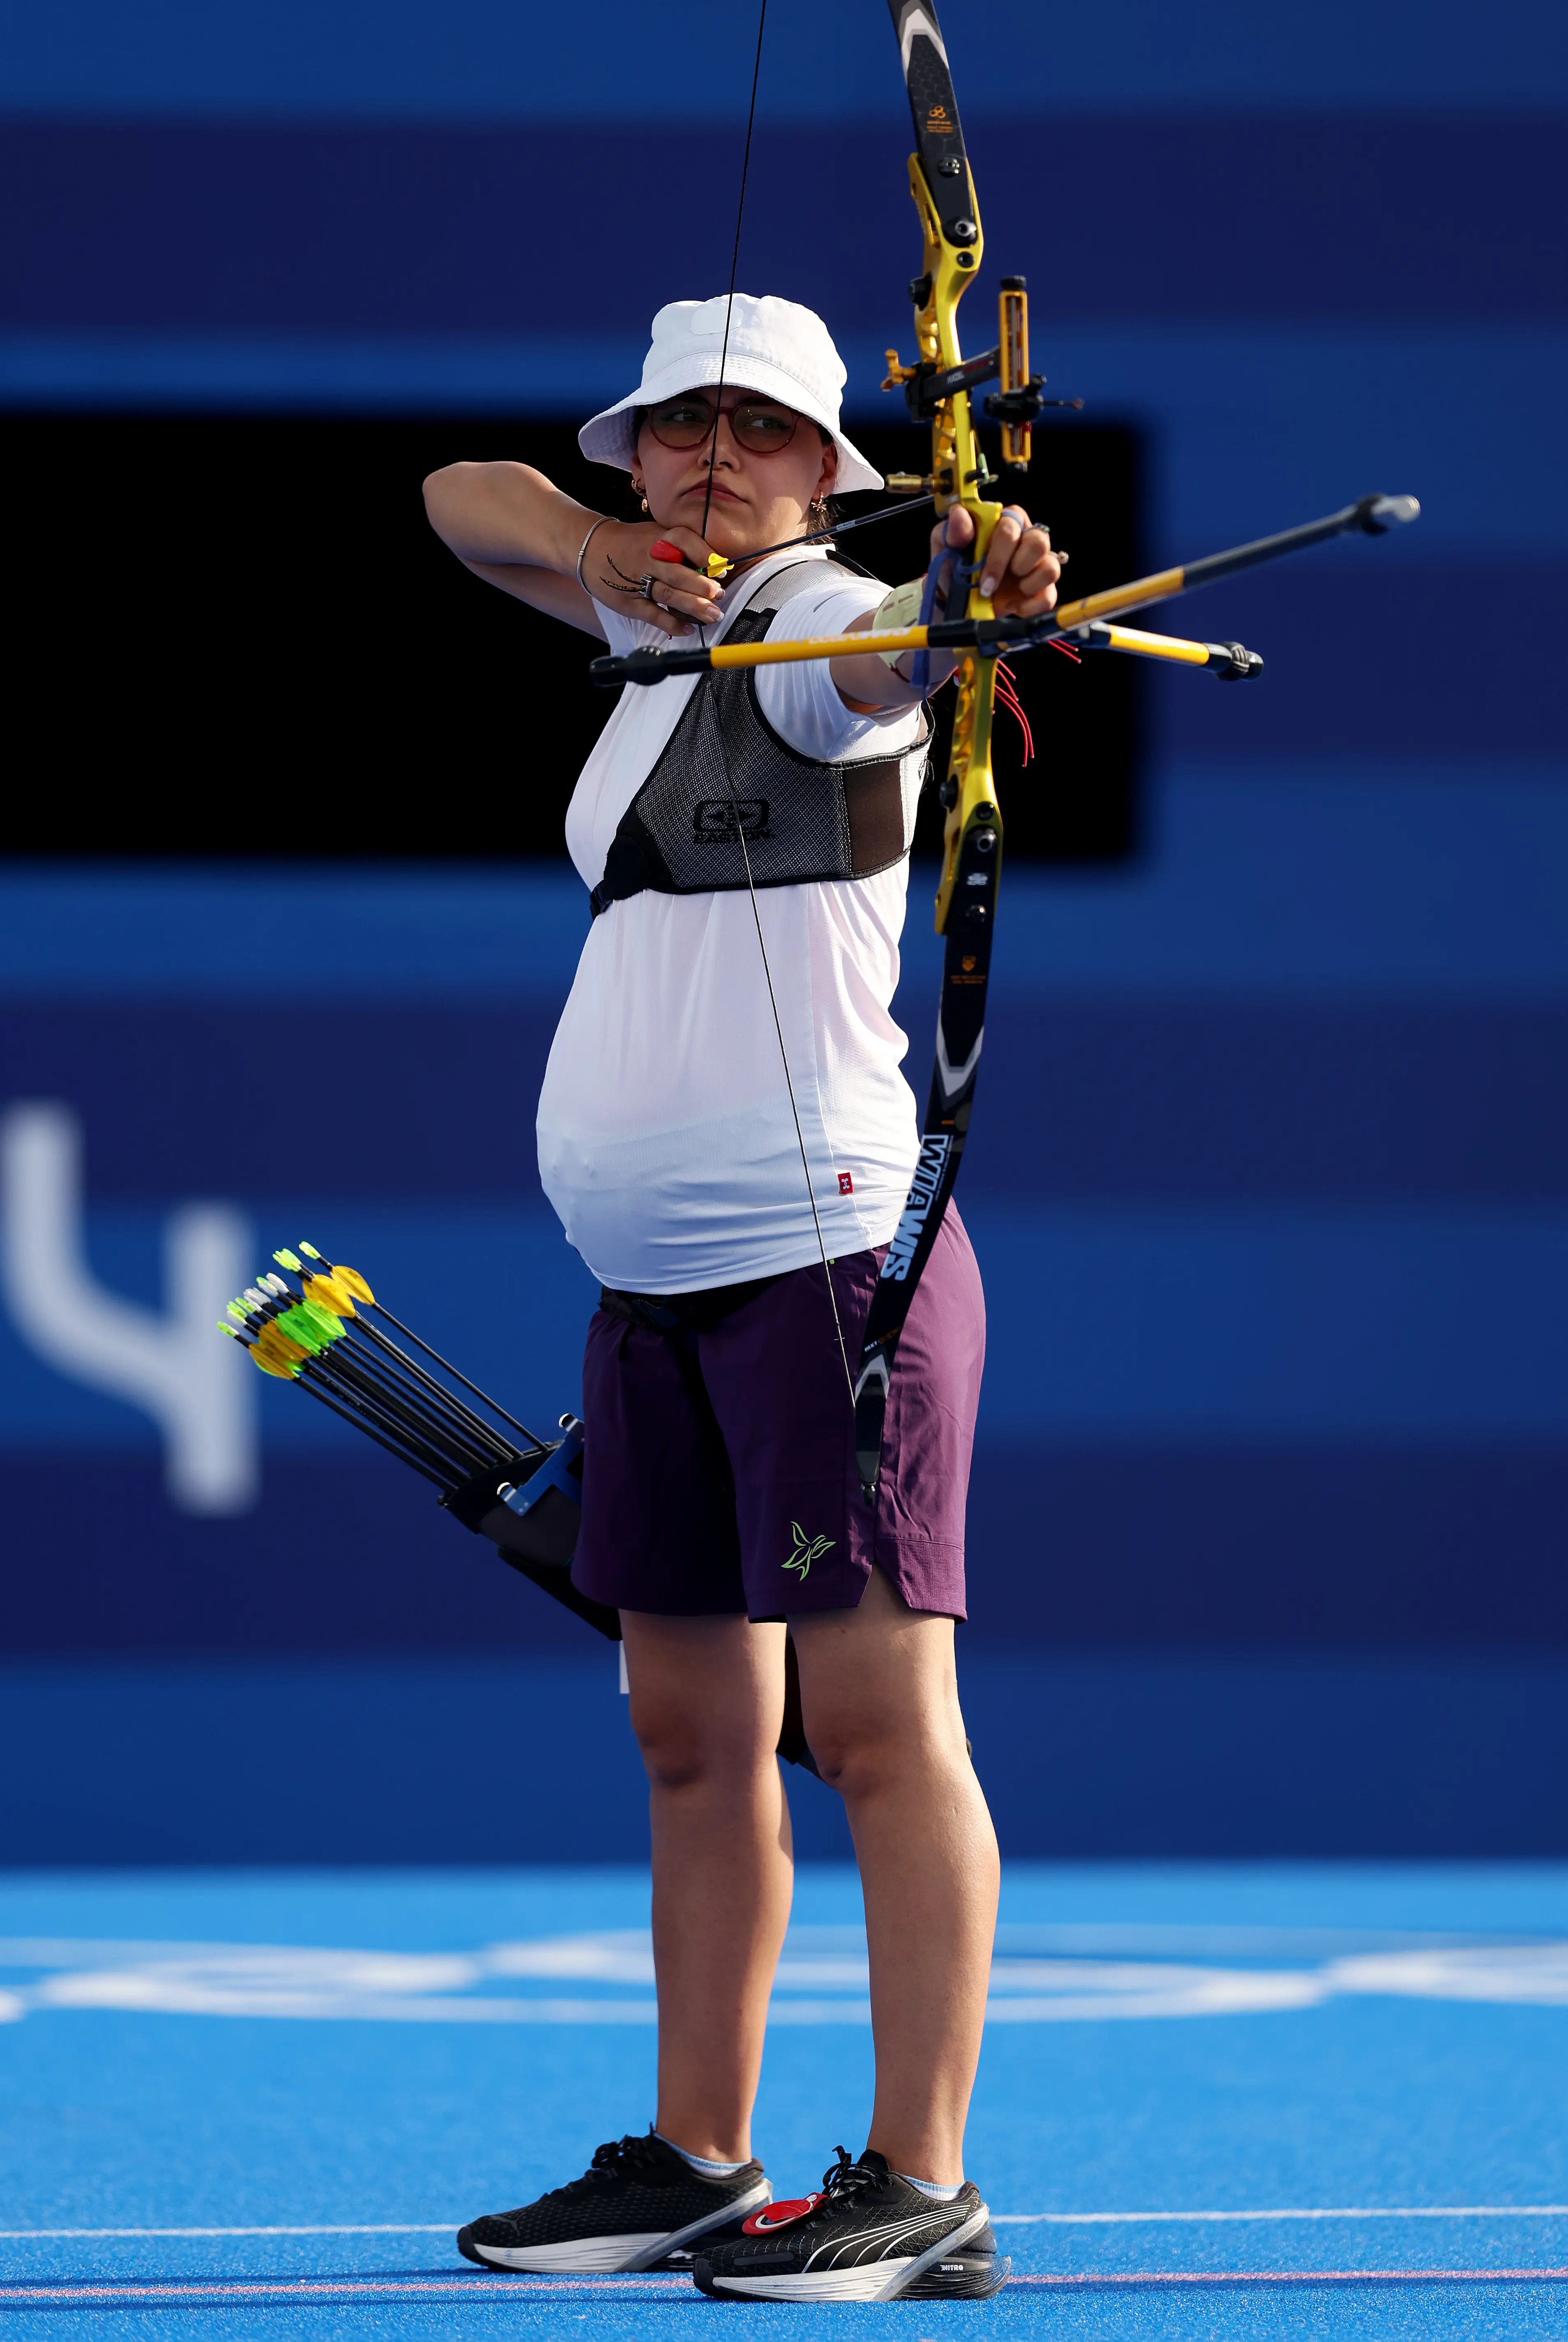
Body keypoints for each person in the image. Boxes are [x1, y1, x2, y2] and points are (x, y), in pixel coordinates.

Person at [423, 292, 1061, 2304]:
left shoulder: (810, 635)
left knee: (875, 1723)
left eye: (758, 430)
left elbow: (879, 654)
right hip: (656, 1288)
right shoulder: (645, 639)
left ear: (824, 467)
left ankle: (921, 2175)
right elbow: (458, 497)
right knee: (691, 1731)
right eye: (678, 429)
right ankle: (700, 2153)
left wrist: (965, 583)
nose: (714, 458)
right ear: (633, 461)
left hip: (827, 1274)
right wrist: (606, 558)